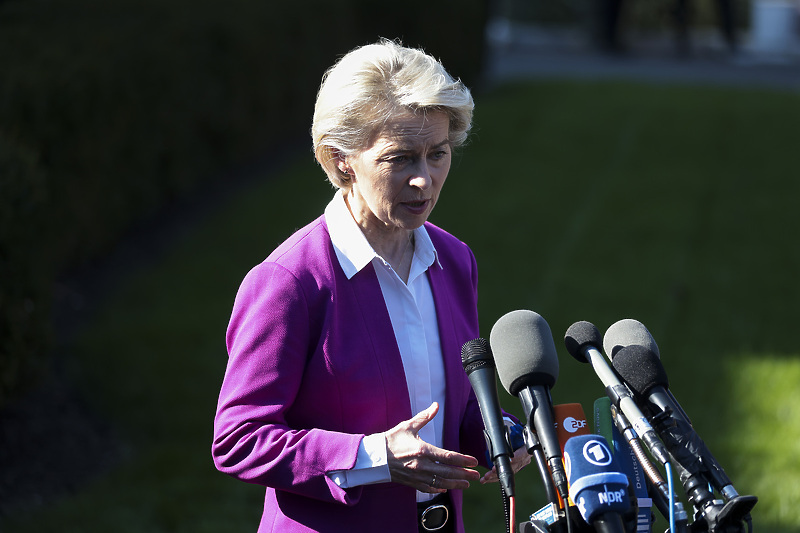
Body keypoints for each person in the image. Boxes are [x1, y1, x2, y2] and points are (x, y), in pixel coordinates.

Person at [212, 39, 528, 533]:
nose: (424, 180)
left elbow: (456, 400)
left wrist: (496, 433)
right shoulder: (288, 283)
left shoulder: (454, 260)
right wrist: (375, 456)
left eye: (437, 155)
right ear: (341, 161)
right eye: (400, 159)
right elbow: (240, 439)